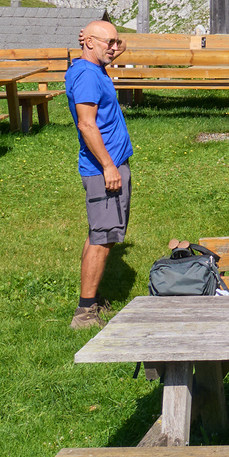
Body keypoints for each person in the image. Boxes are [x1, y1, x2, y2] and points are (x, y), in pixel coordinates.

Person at [66, 20, 133, 329]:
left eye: (116, 42)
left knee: (101, 234)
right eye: (109, 43)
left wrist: (105, 40)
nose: (115, 48)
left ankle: (91, 298)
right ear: (90, 43)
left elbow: (114, 48)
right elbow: (86, 124)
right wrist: (108, 166)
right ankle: (84, 312)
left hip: (110, 164)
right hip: (103, 168)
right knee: (102, 238)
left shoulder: (92, 65)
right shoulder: (87, 76)